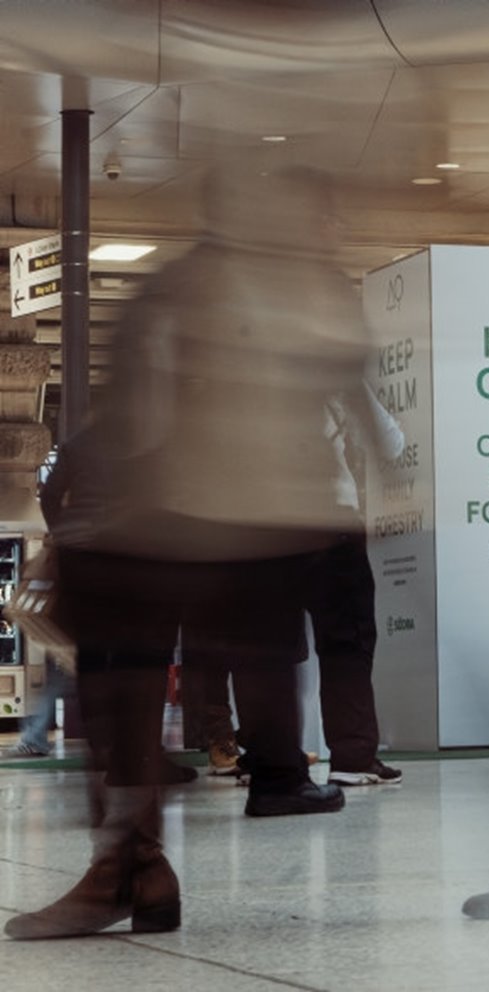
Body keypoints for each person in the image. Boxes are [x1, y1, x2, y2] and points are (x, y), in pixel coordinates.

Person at [4, 164, 371, 940]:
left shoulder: (207, 285)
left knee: (119, 667)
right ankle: (166, 844)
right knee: (216, 659)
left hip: (200, 519)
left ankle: (132, 864)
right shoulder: (298, 287)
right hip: (248, 524)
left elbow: (144, 411)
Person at [309, 384, 403, 786]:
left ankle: (266, 760)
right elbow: (390, 442)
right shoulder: (328, 364)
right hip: (329, 514)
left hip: (257, 524)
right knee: (348, 637)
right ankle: (351, 755)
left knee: (267, 650)